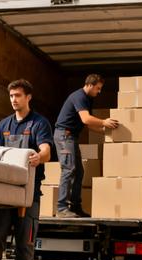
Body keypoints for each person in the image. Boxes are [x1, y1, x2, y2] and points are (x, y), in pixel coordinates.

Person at [0, 79, 53, 260]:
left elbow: (46, 150)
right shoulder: (4, 124)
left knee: (25, 247)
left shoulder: (39, 123)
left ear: (28, 97)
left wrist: (39, 157)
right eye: (11, 96)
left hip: (29, 196)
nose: (13, 99)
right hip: (4, 195)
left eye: (18, 95)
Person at [53, 74, 119, 218]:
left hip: (71, 137)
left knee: (80, 172)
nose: (99, 92)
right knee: (69, 169)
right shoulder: (79, 96)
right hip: (64, 136)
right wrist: (104, 122)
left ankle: (75, 207)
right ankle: (61, 208)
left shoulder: (88, 99)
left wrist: (105, 131)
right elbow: (86, 118)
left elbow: (87, 124)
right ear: (89, 85)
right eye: (98, 88)